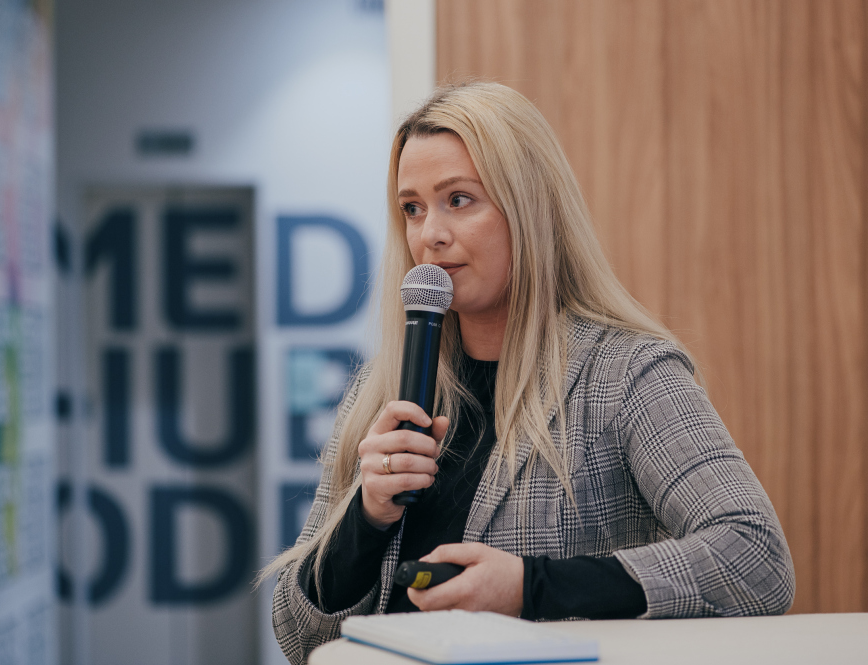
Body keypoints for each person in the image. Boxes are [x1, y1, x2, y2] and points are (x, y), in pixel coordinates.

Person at [263, 81, 795, 664]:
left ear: (529, 208)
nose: (430, 234)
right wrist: (366, 519)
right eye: (412, 208)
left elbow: (756, 557)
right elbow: (296, 634)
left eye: (458, 199)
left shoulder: (625, 374)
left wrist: (529, 587)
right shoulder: (378, 391)